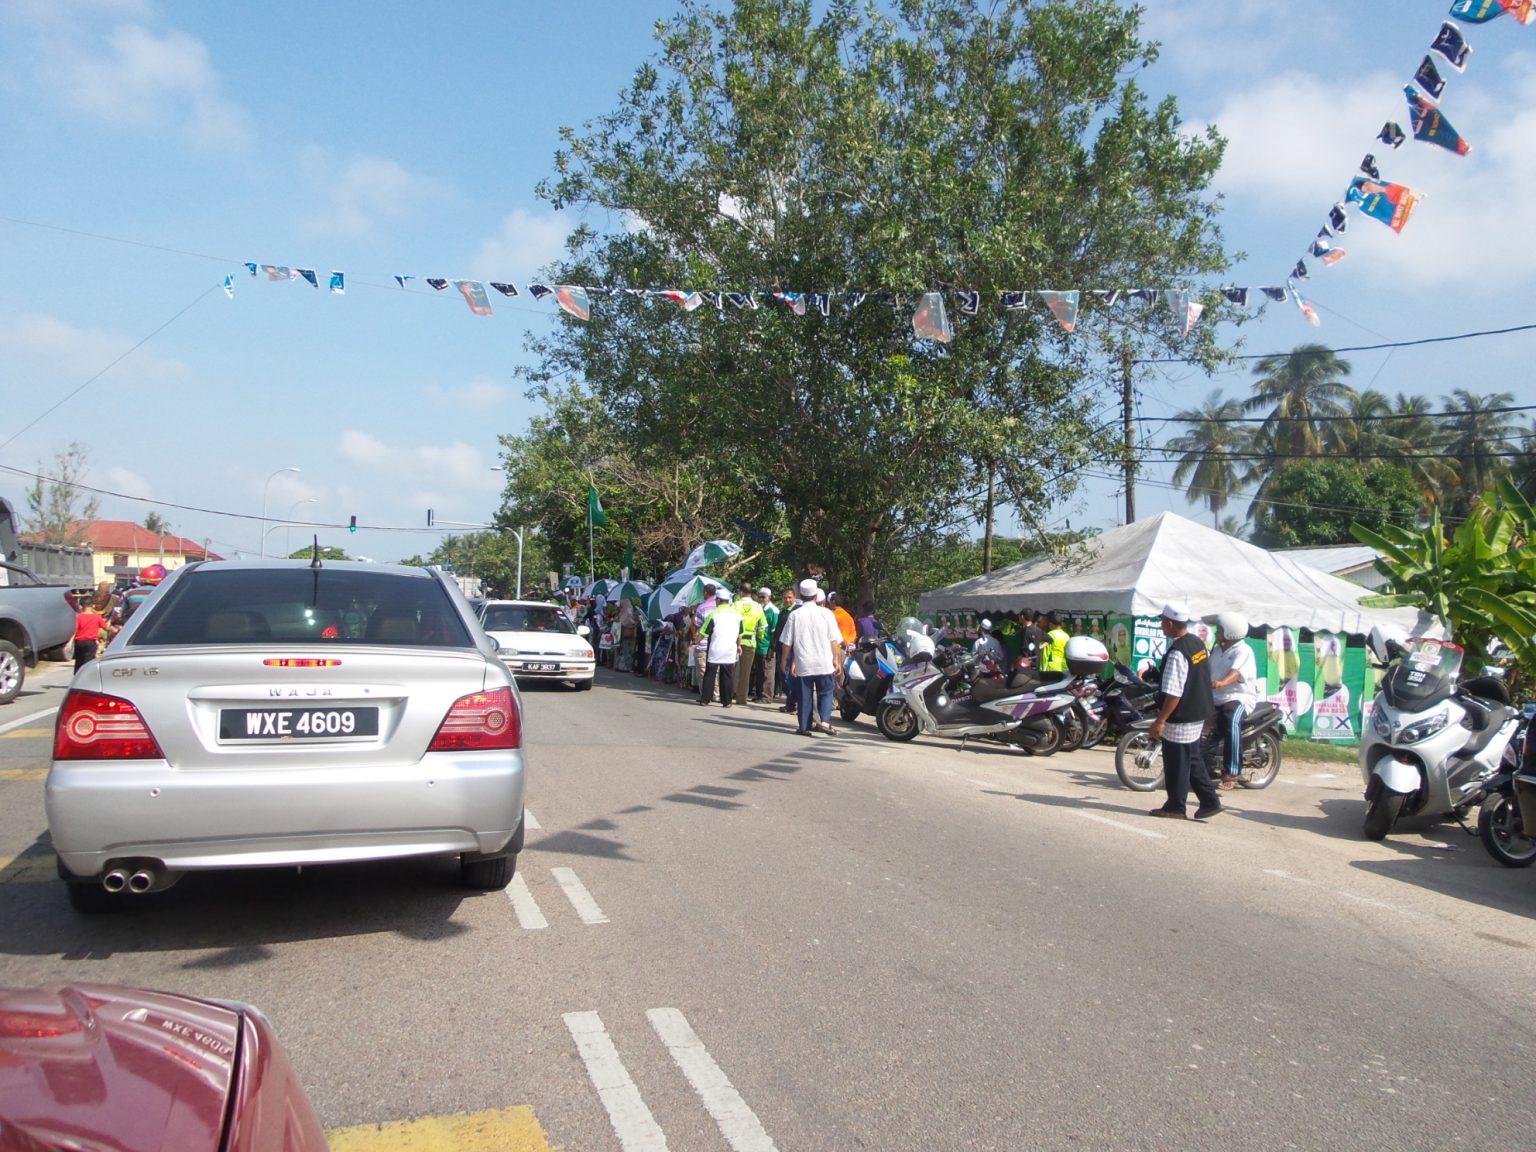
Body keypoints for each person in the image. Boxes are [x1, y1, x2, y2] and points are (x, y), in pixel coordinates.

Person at [1148, 602, 1222, 820]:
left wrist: (1161, 720)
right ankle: (1210, 801)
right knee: (1192, 757)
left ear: (1170, 624)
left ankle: (1175, 807)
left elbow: (1174, 693)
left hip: (1182, 715)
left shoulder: (1177, 652)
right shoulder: (1196, 643)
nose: (1161, 625)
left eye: (1163, 621)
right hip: (1198, 711)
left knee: (1177, 762)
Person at [779, 578, 845, 736]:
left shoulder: (795, 615)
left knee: (805, 695)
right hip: (824, 662)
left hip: (804, 662)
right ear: (816, 596)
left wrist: (785, 661)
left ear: (800, 596)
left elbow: (787, 643)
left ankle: (804, 727)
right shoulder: (827, 614)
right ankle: (824, 722)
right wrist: (836, 660)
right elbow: (834, 640)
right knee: (826, 692)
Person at [1207, 612, 1259, 789]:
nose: (1216, 633)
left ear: (1229, 632)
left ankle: (1232, 772)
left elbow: (1237, 673)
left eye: (1219, 630)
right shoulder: (1216, 651)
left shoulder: (1243, 650)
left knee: (1231, 719)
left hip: (1239, 697)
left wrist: (1222, 682)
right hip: (1216, 697)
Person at [698, 592, 743, 707]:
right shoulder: (737, 615)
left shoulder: (714, 614)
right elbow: (740, 634)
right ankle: (727, 701)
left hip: (715, 649)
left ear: (718, 600)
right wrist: (739, 645)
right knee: (727, 675)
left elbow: (703, 632)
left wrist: (694, 642)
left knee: (710, 674)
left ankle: (705, 699)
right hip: (730, 650)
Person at [732, 589, 766, 704]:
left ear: (741, 592)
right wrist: (760, 636)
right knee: (745, 672)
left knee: (732, 669)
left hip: (734, 641)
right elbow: (763, 626)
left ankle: (729, 694)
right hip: (750, 642)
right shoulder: (757, 606)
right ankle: (741, 698)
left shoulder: (735, 605)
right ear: (750, 593)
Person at [752, 587, 779, 701]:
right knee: (760, 672)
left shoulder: (773, 611)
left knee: (767, 672)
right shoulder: (760, 609)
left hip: (767, 646)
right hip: (759, 645)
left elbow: (775, 631)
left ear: (769, 597)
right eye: (760, 597)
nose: (761, 599)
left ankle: (767, 696)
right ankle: (759, 694)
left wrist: (772, 647)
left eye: (764, 597)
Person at [72, 598, 115, 669]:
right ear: (93, 606)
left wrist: (70, 642)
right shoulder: (97, 617)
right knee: (88, 661)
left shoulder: (78, 617)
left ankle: (78, 673)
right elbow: (105, 627)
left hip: (79, 642)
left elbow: (75, 630)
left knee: (79, 661)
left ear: (81, 606)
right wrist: (114, 629)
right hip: (90, 642)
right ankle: (87, 674)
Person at [775, 587, 798, 710]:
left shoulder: (796, 612)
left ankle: (792, 703)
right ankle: (791, 701)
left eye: (790, 597)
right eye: (785, 598)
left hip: (791, 650)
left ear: (795, 598)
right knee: (783, 676)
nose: (787, 600)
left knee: (789, 676)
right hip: (781, 648)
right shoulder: (783, 612)